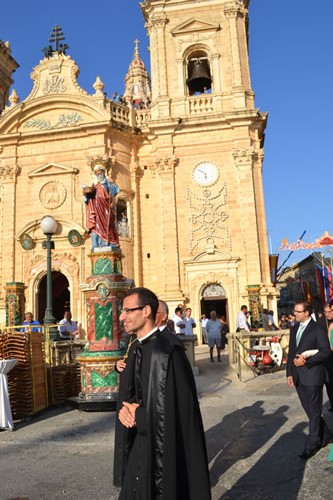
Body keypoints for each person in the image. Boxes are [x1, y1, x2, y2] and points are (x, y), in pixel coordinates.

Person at [113, 287, 211, 499]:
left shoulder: (167, 352)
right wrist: (124, 410)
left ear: (146, 310)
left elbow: (176, 410)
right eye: (123, 311)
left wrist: (137, 414)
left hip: (162, 447)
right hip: (140, 440)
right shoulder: (138, 346)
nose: (122, 317)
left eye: (128, 311)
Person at [286, 301, 332, 459]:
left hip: (313, 376)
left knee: (314, 413)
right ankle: (326, 434)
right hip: (298, 377)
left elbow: (325, 352)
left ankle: (311, 445)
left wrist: (307, 361)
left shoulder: (318, 329)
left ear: (307, 313)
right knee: (310, 411)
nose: (295, 314)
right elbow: (291, 352)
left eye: (298, 311)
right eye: (295, 311)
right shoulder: (294, 329)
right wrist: (289, 373)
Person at [82, 164, 119, 250]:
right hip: (96, 209)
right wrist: (86, 196)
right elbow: (88, 198)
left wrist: (112, 185)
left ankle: (107, 242)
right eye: (96, 172)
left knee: (108, 226)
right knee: (96, 226)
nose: (98, 173)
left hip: (106, 209)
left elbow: (115, 191)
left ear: (103, 172)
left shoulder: (109, 183)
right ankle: (96, 244)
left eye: (100, 171)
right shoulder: (94, 186)